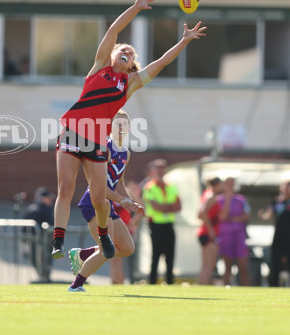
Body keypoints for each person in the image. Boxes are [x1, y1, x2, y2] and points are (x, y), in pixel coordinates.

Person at [52, 0, 207, 261]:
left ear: (132, 64)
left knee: (99, 197)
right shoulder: (100, 66)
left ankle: (102, 236)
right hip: (74, 131)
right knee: (65, 186)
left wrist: (184, 41)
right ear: (112, 56)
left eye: (131, 53)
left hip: (97, 139)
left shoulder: (129, 84)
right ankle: (58, 241)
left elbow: (159, 63)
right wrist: (136, 7)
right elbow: (113, 30)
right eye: (122, 49)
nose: (126, 51)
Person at [67, 111, 145, 292]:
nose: (120, 127)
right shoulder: (103, 149)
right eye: (117, 123)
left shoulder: (126, 152)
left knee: (127, 248)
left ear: (129, 129)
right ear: (109, 127)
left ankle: (83, 254)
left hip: (107, 204)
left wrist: (130, 201)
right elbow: (99, 187)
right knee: (106, 250)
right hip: (94, 202)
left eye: (124, 124)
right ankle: (76, 285)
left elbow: (120, 182)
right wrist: (122, 200)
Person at [259, 180, 290, 287]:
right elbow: (269, 214)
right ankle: (274, 286)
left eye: (289, 187)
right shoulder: (276, 202)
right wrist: (263, 216)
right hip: (278, 237)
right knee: (275, 264)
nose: (286, 189)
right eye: (285, 187)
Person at [143, 159, 181, 285]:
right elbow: (156, 207)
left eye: (162, 169)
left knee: (170, 254)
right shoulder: (149, 187)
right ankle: (152, 281)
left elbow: (179, 206)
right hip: (155, 225)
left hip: (169, 224)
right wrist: (169, 207)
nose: (160, 171)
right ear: (153, 171)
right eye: (157, 169)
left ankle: (170, 281)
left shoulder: (172, 187)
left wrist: (165, 207)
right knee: (156, 254)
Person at [217, 177, 251, 286]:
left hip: (239, 235)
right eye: (228, 183)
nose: (230, 186)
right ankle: (226, 288)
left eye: (232, 183)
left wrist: (232, 219)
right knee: (227, 266)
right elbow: (222, 216)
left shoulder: (241, 199)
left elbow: (246, 215)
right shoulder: (219, 200)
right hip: (225, 235)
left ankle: (246, 290)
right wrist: (228, 198)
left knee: (243, 266)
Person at [24, 187, 55, 282]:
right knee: (44, 260)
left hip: (34, 241)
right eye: (49, 198)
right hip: (42, 241)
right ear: (43, 198)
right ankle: (44, 278)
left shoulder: (31, 208)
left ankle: (43, 277)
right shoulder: (43, 210)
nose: (51, 201)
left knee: (37, 260)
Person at [196, 176, 223, 285]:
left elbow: (199, 214)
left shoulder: (206, 194)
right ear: (216, 185)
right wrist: (211, 230)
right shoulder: (211, 196)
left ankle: (202, 284)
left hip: (204, 232)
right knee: (210, 264)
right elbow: (202, 214)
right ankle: (202, 286)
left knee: (206, 264)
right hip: (208, 233)